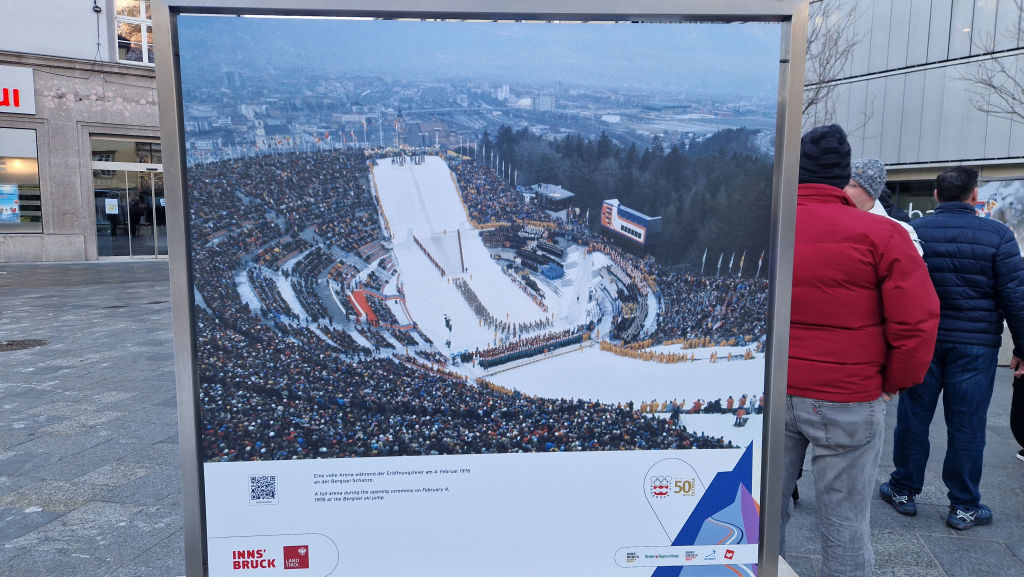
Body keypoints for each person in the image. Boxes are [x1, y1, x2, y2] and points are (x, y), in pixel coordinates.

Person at [781, 124, 940, 576]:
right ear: (842, 178)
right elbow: (917, 322)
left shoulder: (765, 228)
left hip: (770, 389)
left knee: (760, 514)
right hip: (849, 394)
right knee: (845, 524)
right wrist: (893, 383)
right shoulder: (883, 234)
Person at [882, 166, 1024, 530]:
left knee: (913, 417)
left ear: (935, 195)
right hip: (976, 345)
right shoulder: (999, 235)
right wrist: (1022, 346)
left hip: (923, 340)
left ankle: (903, 489)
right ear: (975, 195)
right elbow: (1015, 296)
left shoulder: (913, 231)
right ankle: (963, 506)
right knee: (968, 425)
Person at [845, 158, 922, 255]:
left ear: (871, 194)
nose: (843, 189)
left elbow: (910, 263)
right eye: (840, 184)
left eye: (851, 185)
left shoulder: (899, 231)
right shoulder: (832, 221)